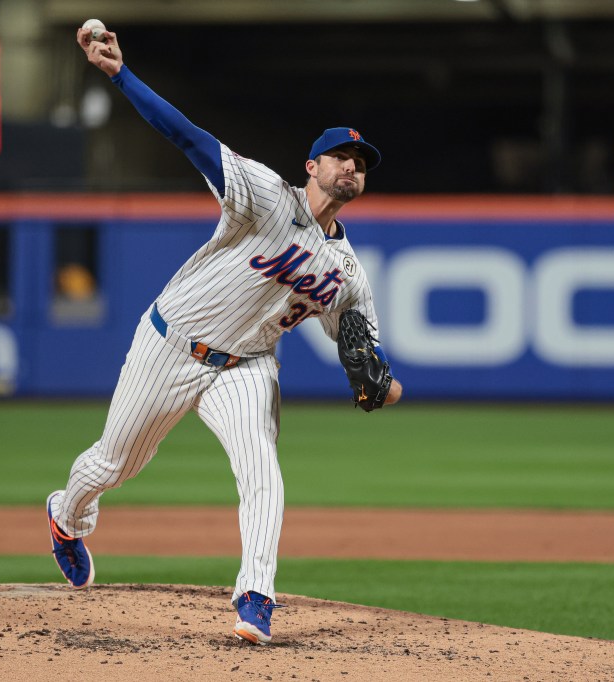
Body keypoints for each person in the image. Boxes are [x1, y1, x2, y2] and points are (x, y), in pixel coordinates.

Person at [47, 25, 403, 646]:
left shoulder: (348, 273)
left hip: (246, 366)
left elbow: (368, 358)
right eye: (342, 157)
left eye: (362, 163)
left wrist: (383, 385)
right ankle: (66, 516)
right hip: (170, 342)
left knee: (261, 468)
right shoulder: (265, 195)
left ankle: (256, 597)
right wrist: (119, 75)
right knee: (114, 463)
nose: (353, 166)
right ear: (312, 166)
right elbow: (186, 135)